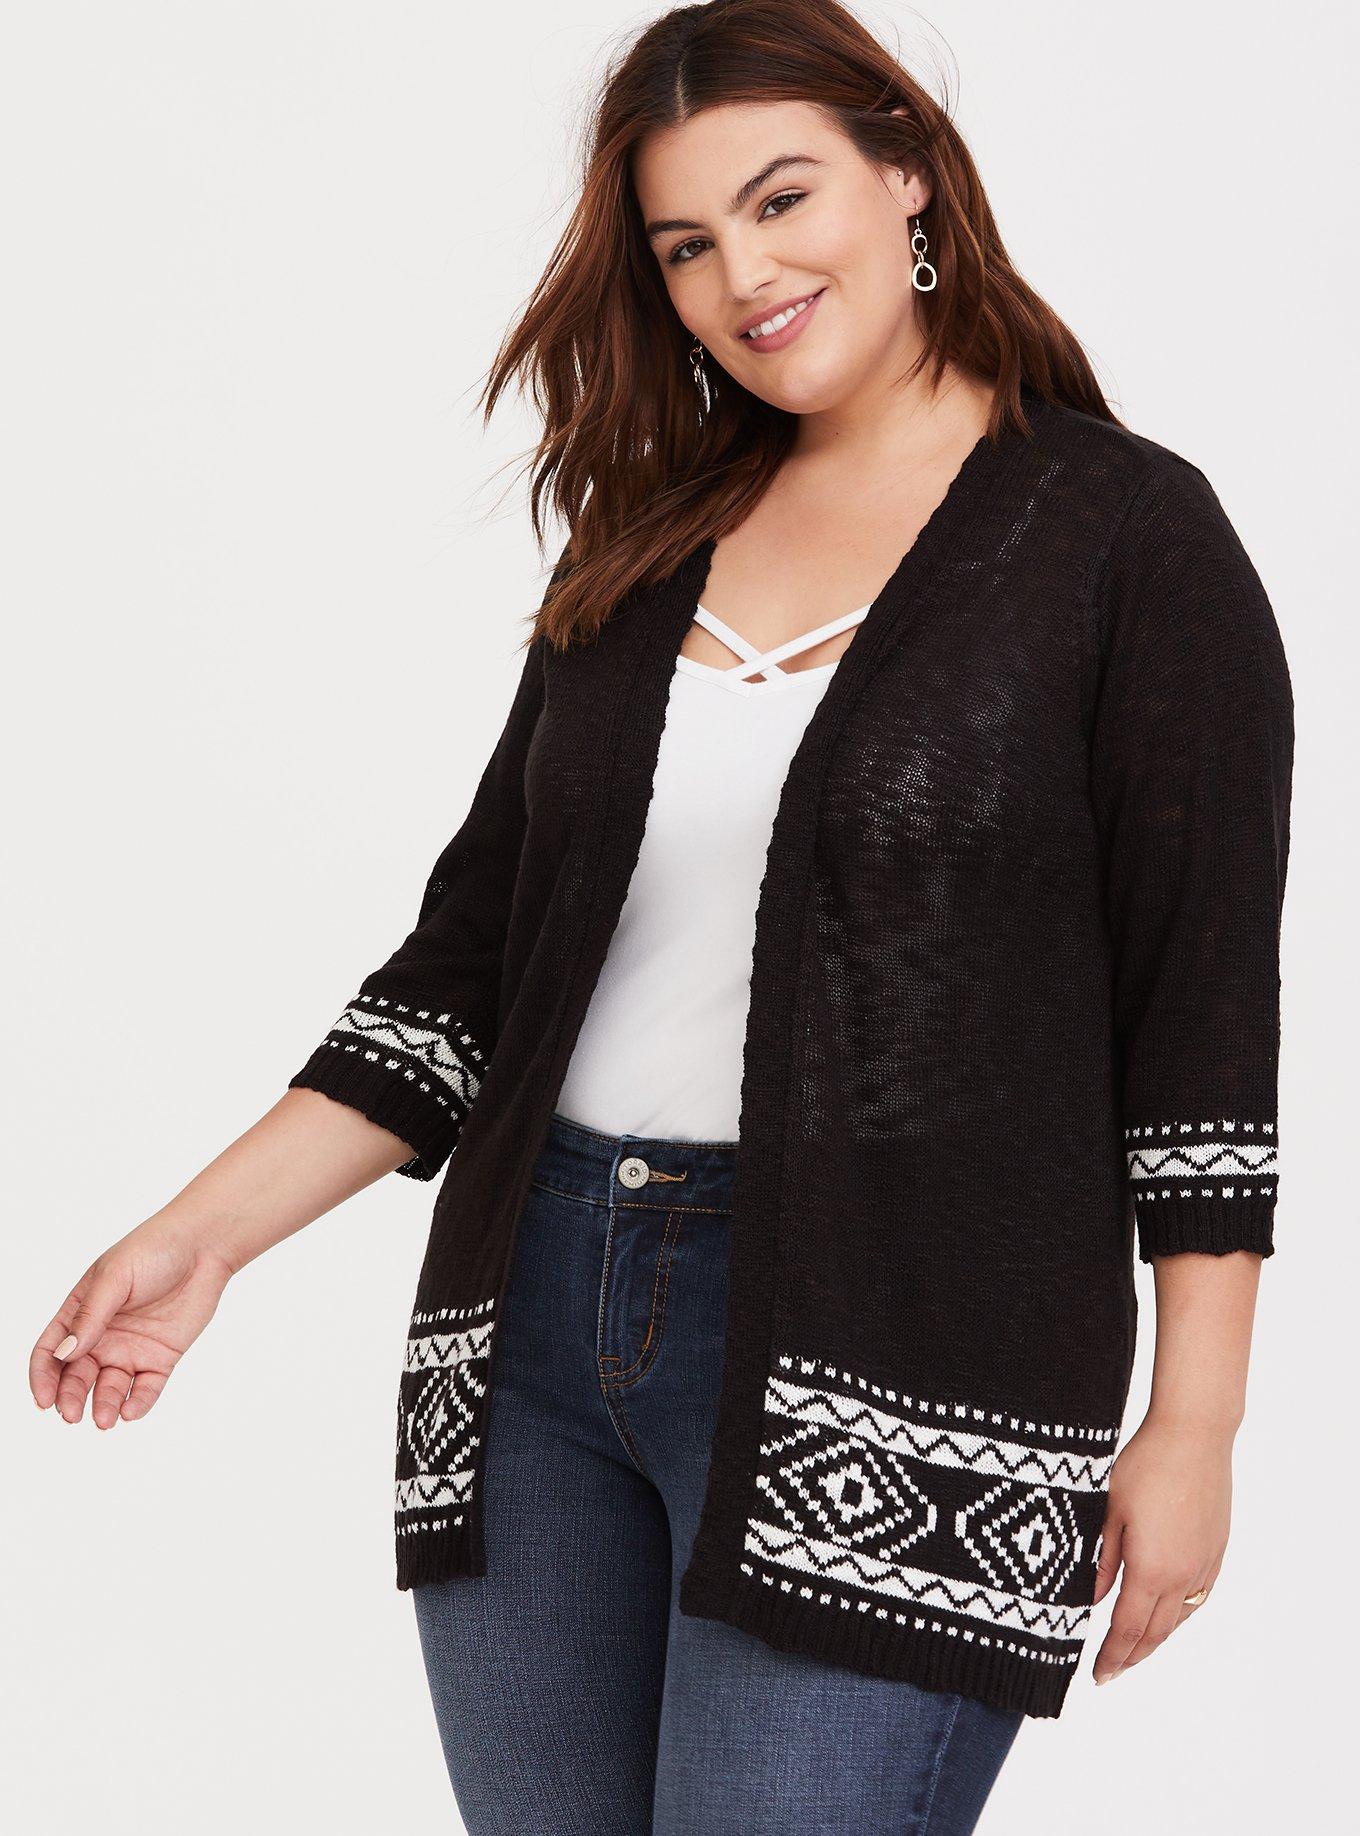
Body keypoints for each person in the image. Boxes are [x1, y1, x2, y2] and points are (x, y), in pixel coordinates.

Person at [29, 3, 1295, 1830]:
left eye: (782, 202)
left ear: (909, 176)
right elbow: (475, 963)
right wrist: (202, 1240)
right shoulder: (648, 542)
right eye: (687, 246)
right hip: (535, 1327)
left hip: (904, 1357)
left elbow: (1202, 1020)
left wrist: (1197, 1420)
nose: (743, 278)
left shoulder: (1125, 540)